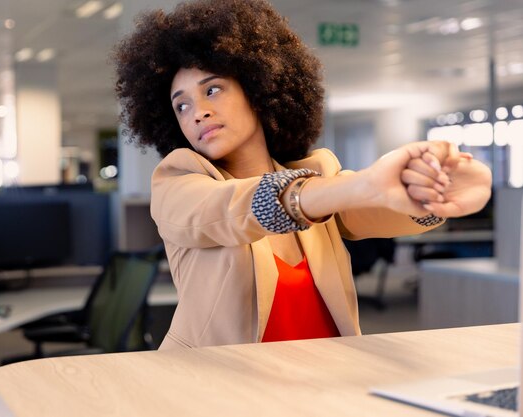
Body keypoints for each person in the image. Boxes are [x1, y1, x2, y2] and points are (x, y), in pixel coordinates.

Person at [114, 0, 492, 349]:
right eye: (181, 106)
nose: (197, 112)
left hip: (324, 381)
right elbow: (229, 209)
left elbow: (372, 206)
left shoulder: (318, 174)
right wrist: (360, 185)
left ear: (257, 90)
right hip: (222, 389)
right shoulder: (176, 183)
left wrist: (431, 193)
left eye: (212, 90)